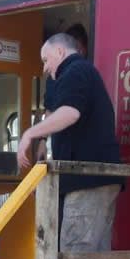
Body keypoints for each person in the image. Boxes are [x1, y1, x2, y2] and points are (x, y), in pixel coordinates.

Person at [17, 32, 124, 259]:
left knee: (76, 249)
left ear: (60, 52)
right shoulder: (80, 73)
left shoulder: (75, 70)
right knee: (97, 254)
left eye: (45, 59)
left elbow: (70, 113)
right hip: (103, 178)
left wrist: (29, 134)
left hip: (85, 178)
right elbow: (58, 109)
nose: (45, 67)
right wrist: (42, 139)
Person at [38, 23, 89, 161]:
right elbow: (50, 110)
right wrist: (43, 140)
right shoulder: (54, 76)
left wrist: (30, 134)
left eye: (79, 49)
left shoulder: (86, 72)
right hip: (62, 147)